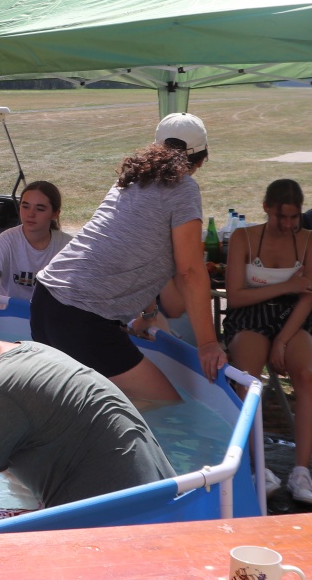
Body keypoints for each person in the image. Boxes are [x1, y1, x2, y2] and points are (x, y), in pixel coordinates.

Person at [0, 305, 174, 532]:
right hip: (168, 506)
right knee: (19, 481)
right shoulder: (32, 351)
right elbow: (5, 463)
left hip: (113, 526)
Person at [29, 114, 226, 403]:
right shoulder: (184, 189)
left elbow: (131, 250)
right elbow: (190, 272)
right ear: (201, 159)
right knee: (166, 405)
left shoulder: (129, 180)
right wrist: (208, 343)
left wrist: (148, 314)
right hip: (82, 316)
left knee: (71, 405)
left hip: (45, 300)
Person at [217, 179, 312, 506]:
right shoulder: (244, 238)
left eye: (294, 217)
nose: (288, 225)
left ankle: (301, 471)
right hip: (249, 315)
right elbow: (236, 297)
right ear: (266, 208)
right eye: (281, 217)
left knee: (306, 375)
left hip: (293, 318)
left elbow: (308, 296)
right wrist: (287, 286)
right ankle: (257, 468)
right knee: (247, 380)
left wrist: (282, 341)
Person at [0, 181, 69, 313]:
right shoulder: (4, 241)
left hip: (52, 320)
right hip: (11, 319)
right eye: (25, 206)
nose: (31, 214)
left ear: (55, 214)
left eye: (40, 209)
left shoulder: (68, 246)